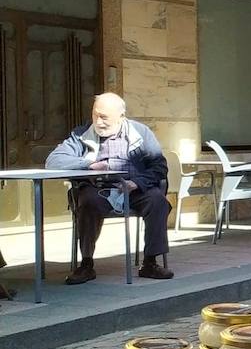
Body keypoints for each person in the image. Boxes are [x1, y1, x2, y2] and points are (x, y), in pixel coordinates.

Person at [45, 93, 174, 284]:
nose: (98, 121)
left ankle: (150, 263)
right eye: (95, 115)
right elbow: (53, 161)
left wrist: (137, 183)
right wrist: (87, 166)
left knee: (158, 201)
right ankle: (86, 264)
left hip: (134, 189)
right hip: (98, 189)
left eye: (104, 117)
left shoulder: (141, 132)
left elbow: (159, 166)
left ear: (121, 117)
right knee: (87, 201)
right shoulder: (81, 134)